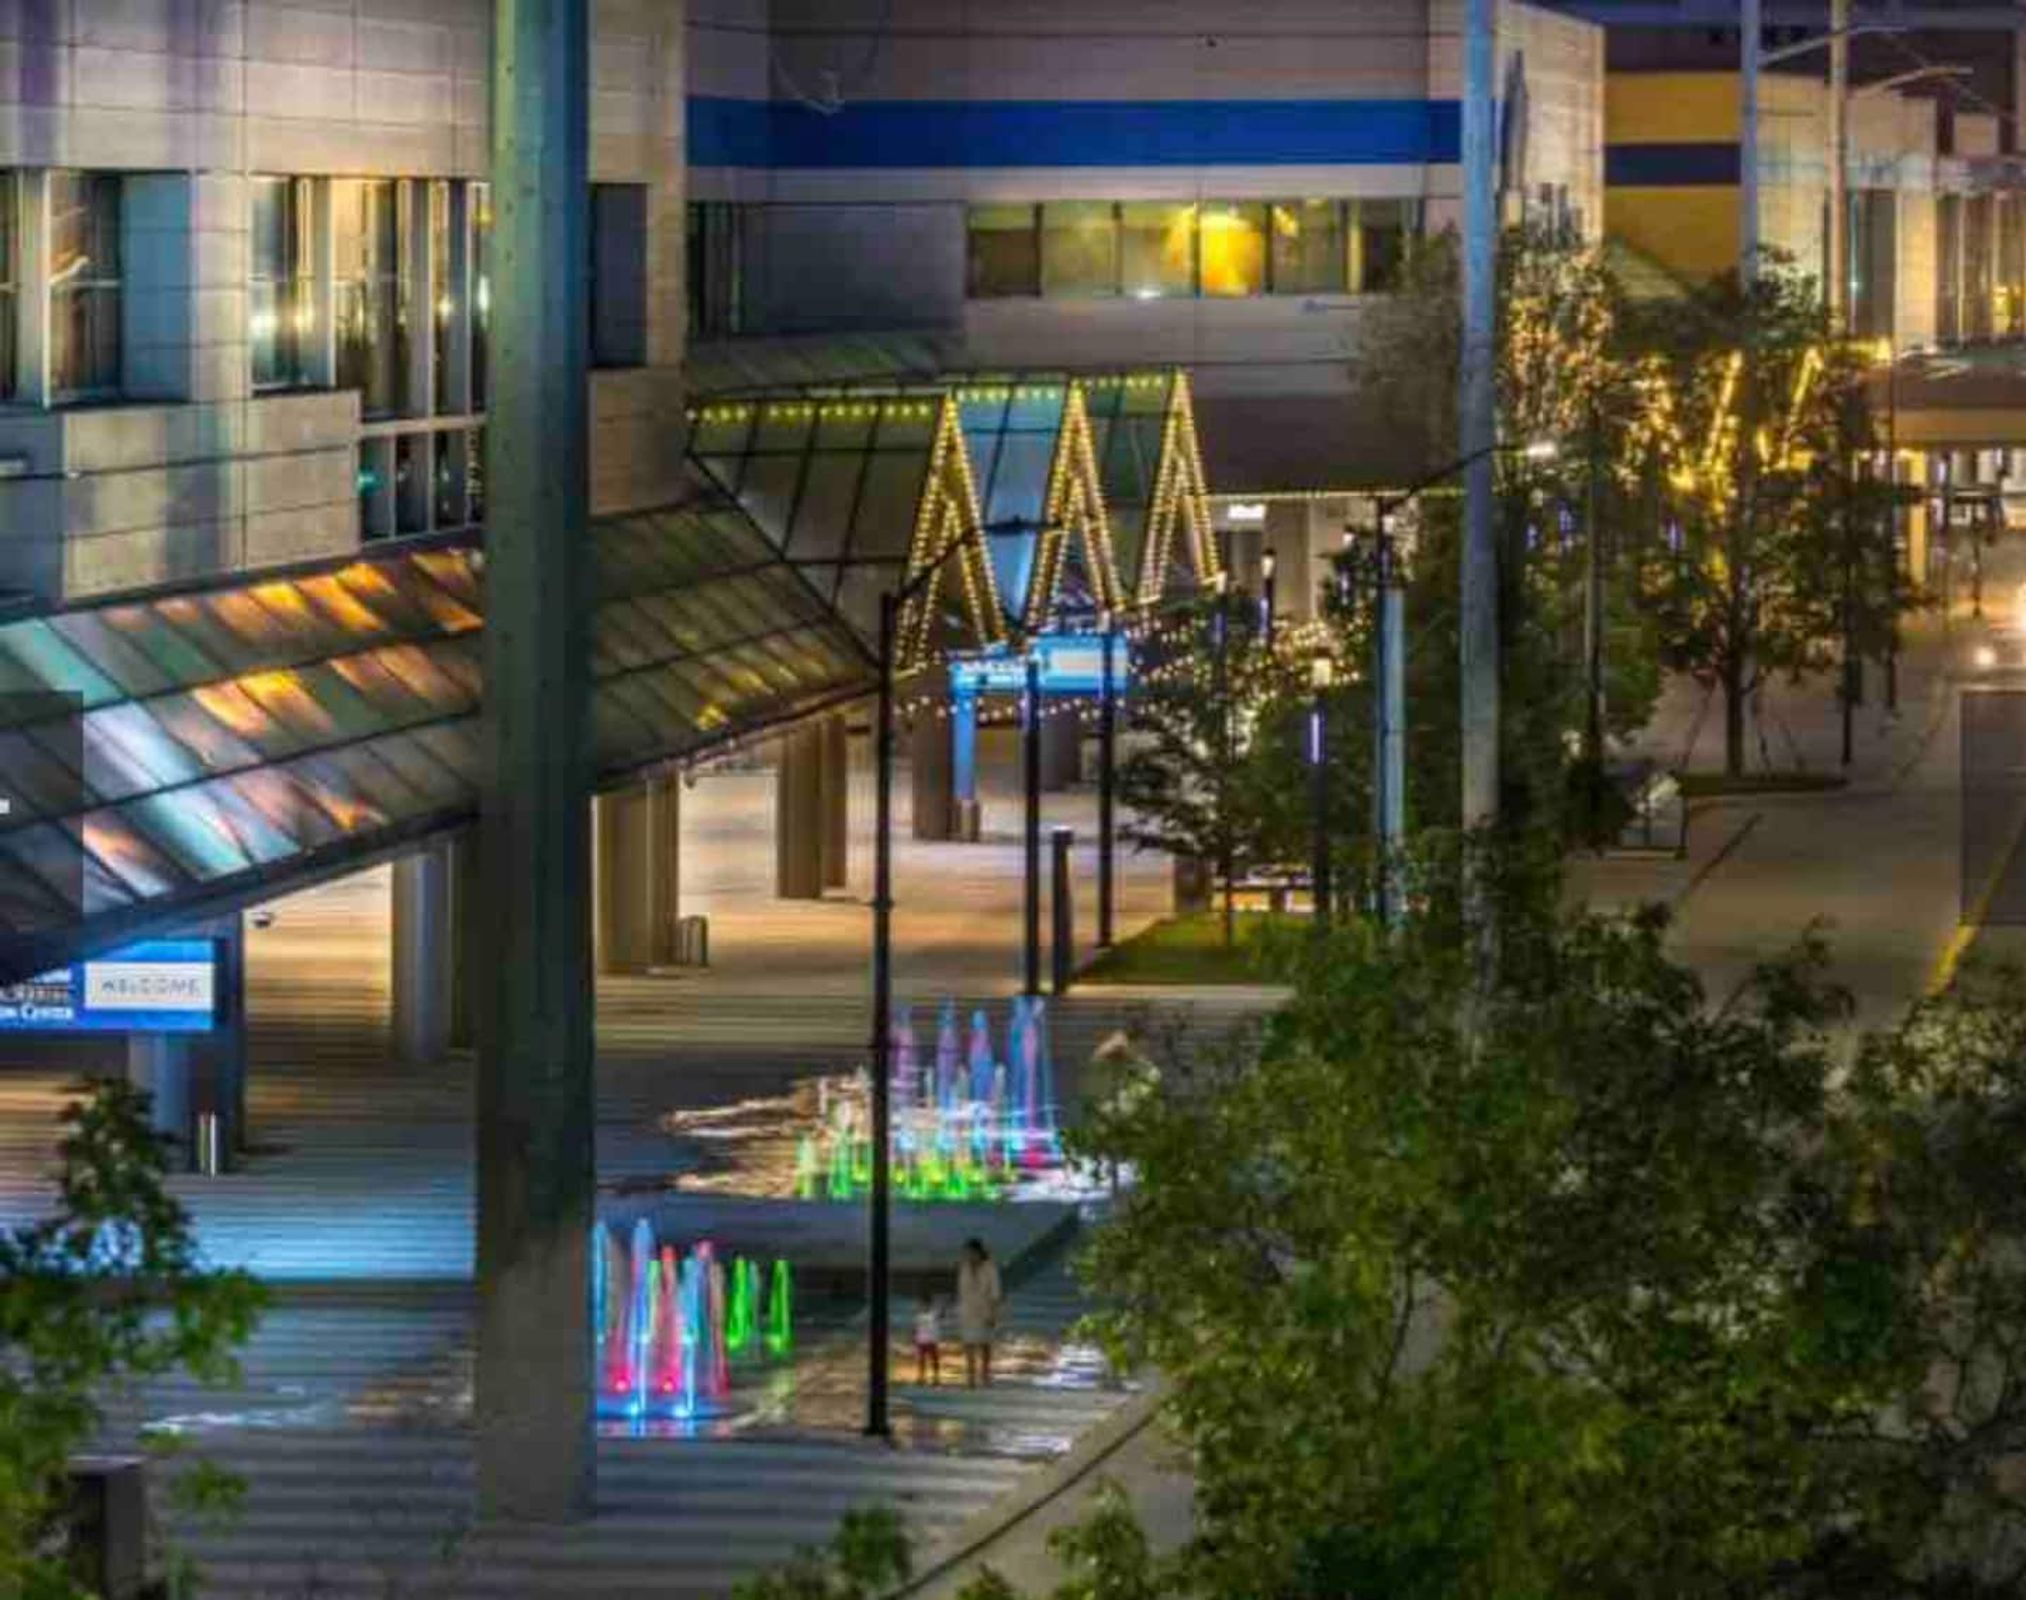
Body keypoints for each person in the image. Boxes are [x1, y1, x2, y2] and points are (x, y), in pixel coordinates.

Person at [956, 1237, 1003, 1388]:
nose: (968, 1255)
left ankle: (985, 1375)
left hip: (985, 1309)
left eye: (970, 1252)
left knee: (985, 1344)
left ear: (978, 1252)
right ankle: (970, 1377)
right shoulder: (964, 1268)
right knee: (968, 1344)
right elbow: (961, 1290)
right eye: (966, 1253)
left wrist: (993, 1313)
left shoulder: (990, 1268)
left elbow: (995, 1292)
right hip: (967, 1311)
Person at [912, 1292, 942, 1386]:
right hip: (921, 1341)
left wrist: (941, 1306)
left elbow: (941, 1315)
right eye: (922, 1304)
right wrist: (913, 1337)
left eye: (925, 1304)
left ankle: (936, 1377)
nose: (923, 1306)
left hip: (932, 1340)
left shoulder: (934, 1313)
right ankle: (921, 1377)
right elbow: (915, 1327)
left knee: (934, 1359)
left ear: (929, 1304)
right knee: (921, 1360)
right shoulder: (918, 1315)